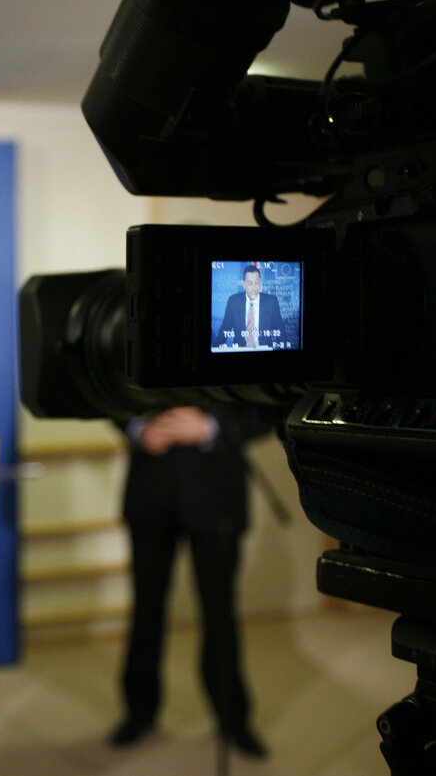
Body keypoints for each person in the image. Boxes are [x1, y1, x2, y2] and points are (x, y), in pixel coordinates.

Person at [109, 404, 270, 758]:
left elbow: (268, 407)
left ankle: (233, 720)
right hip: (151, 491)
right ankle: (138, 714)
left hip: (216, 497)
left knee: (220, 614)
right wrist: (136, 426)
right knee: (146, 611)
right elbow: (109, 391)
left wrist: (211, 426)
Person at [214, 265, 284, 349]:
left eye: (256, 282)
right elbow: (224, 330)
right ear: (244, 284)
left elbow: (280, 331)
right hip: (240, 350)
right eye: (250, 283)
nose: (254, 287)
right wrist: (215, 349)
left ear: (260, 283)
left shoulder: (271, 301)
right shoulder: (233, 301)